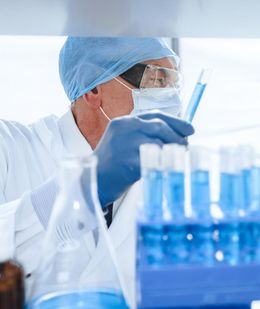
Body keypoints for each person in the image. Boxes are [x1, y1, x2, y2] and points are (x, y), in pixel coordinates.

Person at [0, 37, 194, 286]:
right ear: (93, 89)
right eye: (157, 80)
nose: (172, 100)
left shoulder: (162, 173)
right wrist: (87, 189)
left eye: (173, 86)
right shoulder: (10, 145)